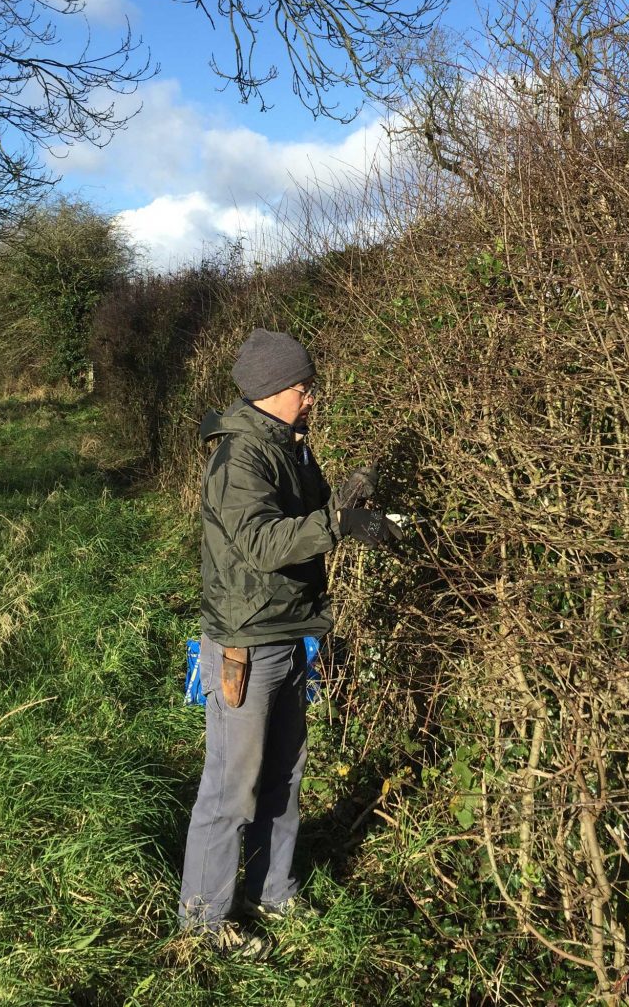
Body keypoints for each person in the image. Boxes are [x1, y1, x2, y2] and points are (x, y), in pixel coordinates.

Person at [178, 328, 401, 956]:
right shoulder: (240, 458)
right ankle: (201, 924)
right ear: (275, 390)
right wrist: (337, 525)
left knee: (285, 774)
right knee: (230, 789)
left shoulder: (288, 444)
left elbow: (309, 513)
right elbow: (263, 543)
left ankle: (272, 893)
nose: (311, 398)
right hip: (246, 644)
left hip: (289, 630)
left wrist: (348, 500)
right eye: (303, 388)